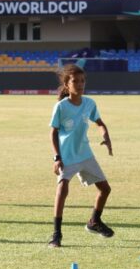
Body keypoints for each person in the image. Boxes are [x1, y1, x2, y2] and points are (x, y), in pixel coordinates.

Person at [48, 64, 113, 248]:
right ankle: (56, 234)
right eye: (75, 81)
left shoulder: (89, 103)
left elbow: (99, 122)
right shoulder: (61, 107)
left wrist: (105, 135)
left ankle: (94, 222)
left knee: (105, 189)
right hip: (67, 156)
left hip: (85, 154)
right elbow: (53, 132)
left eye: (83, 81)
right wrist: (57, 157)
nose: (80, 84)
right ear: (67, 85)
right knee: (62, 190)